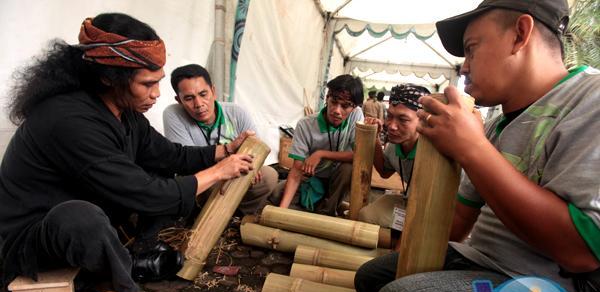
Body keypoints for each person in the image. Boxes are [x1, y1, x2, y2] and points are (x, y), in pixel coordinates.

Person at [354, 0, 600, 292]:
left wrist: (472, 149)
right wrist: (407, 246)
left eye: (471, 49)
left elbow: (581, 252)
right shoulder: (501, 123)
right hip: (486, 269)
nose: (464, 67)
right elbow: (455, 223)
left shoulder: (591, 101)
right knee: (374, 278)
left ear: (520, 34)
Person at [0, 13, 254, 292]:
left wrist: (223, 152)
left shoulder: (127, 114)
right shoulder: (69, 120)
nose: (157, 94)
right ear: (109, 78)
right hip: (37, 236)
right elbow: (145, 194)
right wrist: (219, 172)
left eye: (158, 82)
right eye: (147, 84)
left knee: (160, 176)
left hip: (94, 206)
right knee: (83, 220)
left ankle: (132, 249)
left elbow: (169, 155)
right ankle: (126, 283)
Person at [163, 64, 277, 215]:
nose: (199, 104)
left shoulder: (236, 112)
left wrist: (254, 164)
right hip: (207, 178)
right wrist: (226, 159)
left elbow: (256, 148)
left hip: (238, 172)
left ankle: (238, 216)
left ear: (213, 91)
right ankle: (211, 215)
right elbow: (186, 162)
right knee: (206, 185)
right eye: (189, 98)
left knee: (269, 176)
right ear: (179, 100)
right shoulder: (173, 114)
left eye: (203, 94)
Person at [275, 74, 364, 215]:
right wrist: (280, 212)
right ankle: (322, 205)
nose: (337, 110)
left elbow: (360, 156)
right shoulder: (305, 124)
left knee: (349, 169)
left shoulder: (356, 116)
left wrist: (321, 154)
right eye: (334, 102)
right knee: (277, 194)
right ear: (327, 98)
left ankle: (327, 212)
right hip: (311, 179)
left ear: (354, 107)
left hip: (336, 180)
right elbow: (296, 171)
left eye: (345, 106)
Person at [358, 84, 430, 229]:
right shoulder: (393, 146)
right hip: (410, 202)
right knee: (366, 215)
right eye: (389, 116)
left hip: (432, 211)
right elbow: (384, 172)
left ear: (422, 120)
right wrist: (375, 136)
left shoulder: (434, 153)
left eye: (403, 119)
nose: (391, 126)